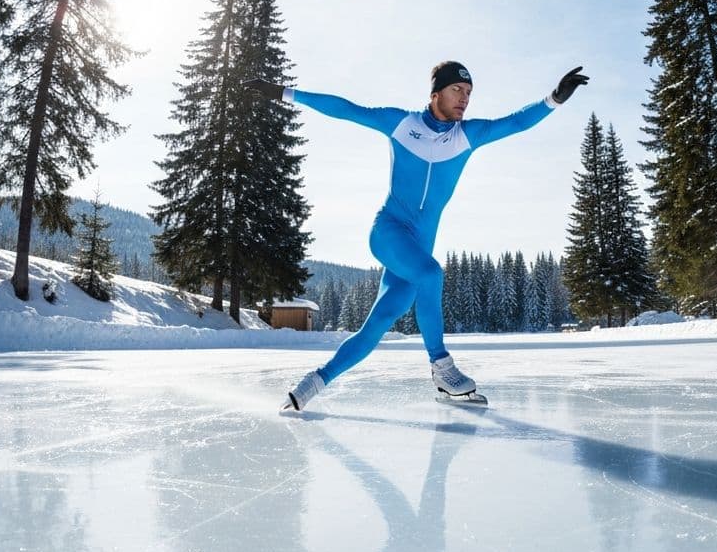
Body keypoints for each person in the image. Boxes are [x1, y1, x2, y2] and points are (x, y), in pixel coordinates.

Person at [248, 60, 588, 411]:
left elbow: (516, 122)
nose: (464, 99)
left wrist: (554, 99)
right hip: (389, 232)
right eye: (457, 90)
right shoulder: (402, 124)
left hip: (416, 251)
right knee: (431, 274)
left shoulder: (467, 136)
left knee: (377, 325)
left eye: (469, 93)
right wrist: (282, 92)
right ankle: (442, 367)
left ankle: (310, 385)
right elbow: (345, 109)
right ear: (436, 92)